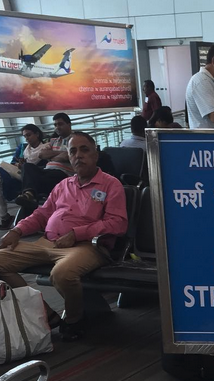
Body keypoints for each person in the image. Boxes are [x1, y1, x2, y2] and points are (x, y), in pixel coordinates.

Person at [0, 132, 128, 341]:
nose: (78, 155)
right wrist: (17, 230)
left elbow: (118, 224)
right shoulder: (63, 185)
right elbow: (42, 214)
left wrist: (76, 233)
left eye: (84, 150)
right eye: (73, 151)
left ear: (96, 154)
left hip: (87, 247)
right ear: (68, 157)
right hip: (47, 242)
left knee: (62, 274)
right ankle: (46, 313)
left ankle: (74, 320)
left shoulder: (110, 185)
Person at [15, 113, 74, 212]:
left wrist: (53, 155)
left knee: (34, 178)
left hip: (63, 175)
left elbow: (69, 156)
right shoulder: (54, 141)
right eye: (55, 125)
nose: (57, 127)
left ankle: (31, 198)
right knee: (27, 166)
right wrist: (61, 154)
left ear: (69, 124)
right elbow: (42, 154)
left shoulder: (75, 139)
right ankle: (29, 194)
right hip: (47, 171)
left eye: (60, 124)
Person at [0, 125, 46, 229]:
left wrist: (26, 166)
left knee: (26, 167)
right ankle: (4, 215)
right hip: (19, 175)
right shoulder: (23, 148)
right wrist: (19, 165)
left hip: (35, 178)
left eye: (29, 135)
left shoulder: (45, 148)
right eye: (25, 136)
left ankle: (5, 216)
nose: (27, 138)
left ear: (37, 134)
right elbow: (14, 163)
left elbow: (45, 167)